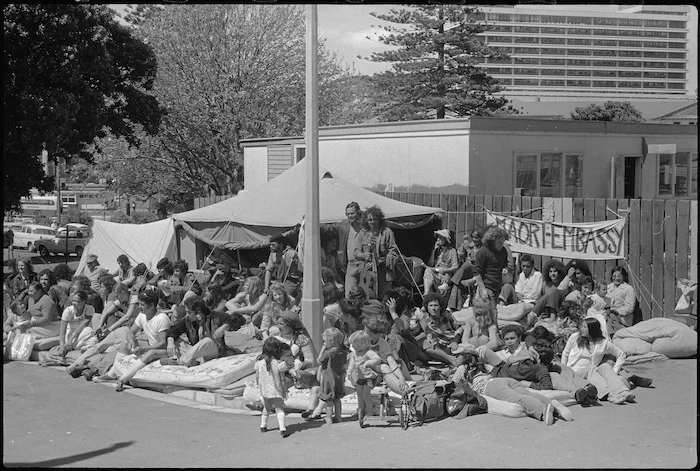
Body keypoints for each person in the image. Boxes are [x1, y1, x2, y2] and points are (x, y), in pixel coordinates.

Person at [454, 353, 573, 425]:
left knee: (518, 399)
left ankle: (542, 411)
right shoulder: (482, 366)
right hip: (503, 380)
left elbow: (456, 382)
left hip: (490, 386)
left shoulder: (462, 368)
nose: (454, 359)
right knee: (528, 393)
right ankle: (553, 404)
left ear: (464, 358)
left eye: (457, 356)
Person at [95, 290, 171, 391]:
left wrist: (144, 349)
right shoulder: (142, 315)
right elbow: (131, 332)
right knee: (125, 343)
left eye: (142, 304)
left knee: (151, 353)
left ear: (152, 305)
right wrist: (131, 341)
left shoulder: (161, 318)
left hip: (164, 351)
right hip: (151, 345)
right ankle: (112, 374)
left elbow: (162, 342)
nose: (139, 307)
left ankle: (122, 379)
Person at [561, 317, 634, 404]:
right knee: (591, 368)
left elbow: (621, 355)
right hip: (575, 372)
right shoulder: (575, 337)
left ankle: (623, 391)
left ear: (592, 329)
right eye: (582, 326)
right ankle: (610, 394)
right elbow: (565, 353)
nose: (581, 329)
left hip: (592, 373)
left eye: (585, 327)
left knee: (605, 366)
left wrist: (615, 371)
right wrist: (564, 370)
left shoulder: (603, 343)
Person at [162, 296, 246, 367]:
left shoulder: (215, 316)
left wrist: (224, 327)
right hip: (197, 352)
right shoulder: (188, 321)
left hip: (213, 353)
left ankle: (180, 362)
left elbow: (236, 321)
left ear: (198, 312)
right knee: (176, 341)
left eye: (189, 312)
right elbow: (174, 329)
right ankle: (190, 361)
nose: (187, 315)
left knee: (207, 341)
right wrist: (170, 341)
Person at [305, 327, 348, 424]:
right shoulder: (343, 352)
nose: (323, 343)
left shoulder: (328, 353)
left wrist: (323, 349)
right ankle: (338, 417)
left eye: (324, 341)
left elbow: (319, 360)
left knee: (329, 399)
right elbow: (344, 364)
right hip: (339, 378)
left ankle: (328, 418)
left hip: (329, 378)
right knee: (337, 399)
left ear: (331, 341)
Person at [356, 205, 398, 300]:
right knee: (368, 297)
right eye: (370, 220)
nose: (372, 222)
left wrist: (382, 261)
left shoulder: (387, 232)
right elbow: (356, 252)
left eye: (375, 219)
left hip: (384, 272)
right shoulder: (363, 233)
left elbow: (393, 252)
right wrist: (363, 256)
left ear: (379, 220)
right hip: (367, 273)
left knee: (384, 298)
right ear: (366, 220)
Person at [363, 314, 409, 394]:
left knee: (396, 365)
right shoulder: (361, 340)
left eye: (369, 332)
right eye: (366, 331)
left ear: (378, 334)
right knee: (384, 367)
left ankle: (404, 387)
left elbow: (391, 362)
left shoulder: (383, 343)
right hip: (363, 370)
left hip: (375, 372)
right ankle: (403, 390)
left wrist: (401, 377)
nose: (366, 333)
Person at [472, 226, 511, 322]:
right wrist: (482, 289)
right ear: (492, 241)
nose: (502, 244)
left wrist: (505, 269)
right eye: (499, 242)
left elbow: (505, 264)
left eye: (503, 242)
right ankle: (495, 333)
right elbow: (477, 272)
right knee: (493, 312)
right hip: (486, 286)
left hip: (497, 285)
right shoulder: (483, 252)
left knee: (488, 313)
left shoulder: (503, 251)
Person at [415, 293, 464, 367]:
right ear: (427, 307)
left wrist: (455, 340)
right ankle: (450, 360)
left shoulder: (447, 314)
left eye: (436, 305)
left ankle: (448, 359)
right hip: (436, 346)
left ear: (440, 306)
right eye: (430, 306)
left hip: (450, 345)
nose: (433, 308)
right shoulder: (425, 319)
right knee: (424, 342)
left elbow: (459, 328)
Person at [255, 336, 290, 437]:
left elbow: (257, 376)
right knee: (279, 408)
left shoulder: (259, 363)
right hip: (277, 389)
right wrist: (285, 390)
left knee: (267, 407)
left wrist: (259, 386)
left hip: (265, 389)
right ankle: (282, 428)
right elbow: (282, 379)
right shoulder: (280, 364)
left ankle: (263, 425)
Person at [346, 330, 382, 427]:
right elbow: (352, 363)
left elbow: (377, 359)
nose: (352, 346)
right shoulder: (355, 353)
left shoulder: (368, 352)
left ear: (362, 344)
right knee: (359, 393)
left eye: (354, 344)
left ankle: (370, 411)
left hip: (370, 377)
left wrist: (368, 363)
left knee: (366, 393)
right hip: (361, 377)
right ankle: (361, 409)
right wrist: (349, 372)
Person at [48, 290, 95, 361]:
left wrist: (71, 339)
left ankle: (74, 347)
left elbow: (84, 325)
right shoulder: (68, 311)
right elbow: (62, 330)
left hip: (82, 333)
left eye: (77, 301)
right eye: (73, 301)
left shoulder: (89, 309)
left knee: (89, 331)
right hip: (70, 332)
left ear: (83, 301)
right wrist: (62, 345)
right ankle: (75, 347)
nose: (74, 303)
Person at [337, 202, 365, 297]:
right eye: (348, 214)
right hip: (351, 265)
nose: (350, 216)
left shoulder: (366, 226)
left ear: (358, 213)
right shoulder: (344, 226)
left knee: (365, 294)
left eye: (352, 213)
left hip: (363, 265)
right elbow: (328, 228)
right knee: (348, 294)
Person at [264, 233, 303, 302]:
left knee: (283, 297)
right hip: (278, 280)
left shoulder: (290, 253)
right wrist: (266, 287)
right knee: (269, 296)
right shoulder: (273, 254)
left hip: (291, 281)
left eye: (273, 245)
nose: (271, 247)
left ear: (281, 244)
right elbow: (269, 270)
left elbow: (298, 271)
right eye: (270, 245)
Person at [423, 229, 459, 296]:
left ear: (445, 240)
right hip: (436, 274)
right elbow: (430, 264)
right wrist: (433, 251)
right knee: (428, 271)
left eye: (440, 238)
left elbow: (455, 266)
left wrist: (445, 271)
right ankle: (427, 293)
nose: (438, 240)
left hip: (445, 275)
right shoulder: (437, 251)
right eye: (437, 238)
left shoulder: (452, 251)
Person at [607, 266, 636, 331]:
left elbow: (629, 307)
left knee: (611, 318)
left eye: (619, 276)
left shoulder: (628, 289)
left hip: (622, 319)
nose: (616, 278)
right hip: (608, 316)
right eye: (614, 276)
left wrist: (616, 312)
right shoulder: (608, 288)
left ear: (623, 276)